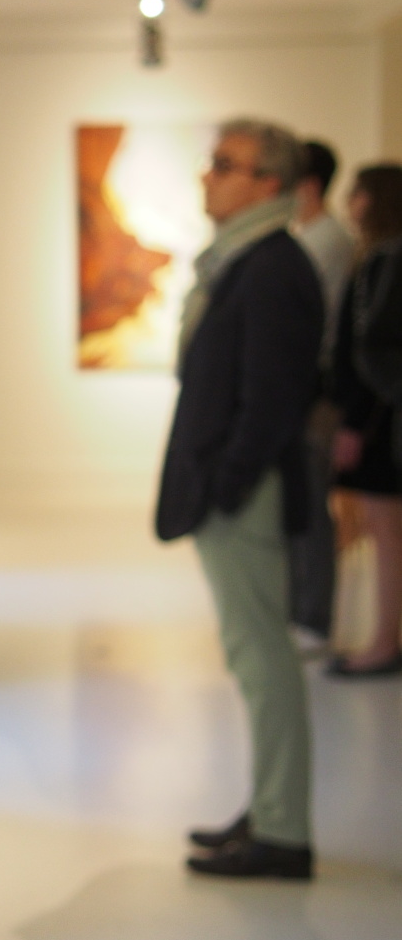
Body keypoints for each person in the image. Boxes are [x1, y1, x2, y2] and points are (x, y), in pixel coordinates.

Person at [156, 119, 324, 879]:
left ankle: (283, 832)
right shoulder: (249, 260)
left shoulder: (271, 266)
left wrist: (225, 486)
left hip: (246, 496)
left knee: (263, 660)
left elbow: (271, 400)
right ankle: (270, 809)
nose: (207, 176)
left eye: (225, 164)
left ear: (269, 183)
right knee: (253, 654)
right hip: (237, 490)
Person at [325, 164, 402, 677]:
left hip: (379, 421)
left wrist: (356, 422)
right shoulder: (377, 259)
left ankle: (383, 641)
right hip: (380, 417)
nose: (350, 202)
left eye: (358, 194)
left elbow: (374, 352)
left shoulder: (385, 261)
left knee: (384, 529)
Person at [286, 140, 357, 650]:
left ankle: (312, 618)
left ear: (307, 185)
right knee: (303, 502)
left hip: (316, 392)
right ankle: (303, 613)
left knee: (311, 504)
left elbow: (314, 326)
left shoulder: (326, 242)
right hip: (307, 388)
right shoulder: (313, 239)